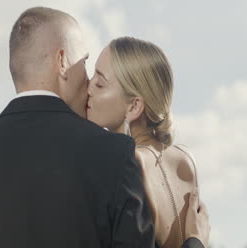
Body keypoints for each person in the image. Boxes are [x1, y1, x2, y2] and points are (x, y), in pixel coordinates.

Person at [0, 7, 209, 248]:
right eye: (85, 63)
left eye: (99, 81)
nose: (88, 81)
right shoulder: (115, 157)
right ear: (62, 61)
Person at [87, 37, 209, 247]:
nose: (88, 88)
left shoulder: (126, 164)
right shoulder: (186, 159)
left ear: (134, 106)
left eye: (99, 83)